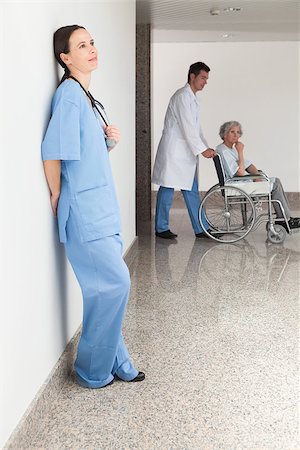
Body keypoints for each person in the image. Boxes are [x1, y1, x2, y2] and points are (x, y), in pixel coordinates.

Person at [42, 25, 144, 388]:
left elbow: (85, 152)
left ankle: (119, 362)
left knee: (106, 288)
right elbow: (53, 152)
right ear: (65, 58)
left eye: (92, 42)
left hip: (101, 207)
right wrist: (56, 194)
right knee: (113, 285)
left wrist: (108, 141)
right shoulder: (70, 95)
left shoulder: (86, 96)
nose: (91, 49)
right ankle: (91, 370)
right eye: (81, 45)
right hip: (86, 213)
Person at [152, 62, 216, 239]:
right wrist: (202, 150)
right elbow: (188, 126)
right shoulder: (182, 96)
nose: (205, 82)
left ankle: (199, 227)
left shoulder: (193, 99)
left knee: (190, 189)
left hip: (185, 152)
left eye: (207, 79)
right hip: (174, 152)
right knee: (168, 187)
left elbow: (196, 129)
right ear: (192, 76)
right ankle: (162, 227)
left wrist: (205, 146)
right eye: (203, 78)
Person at [216, 121, 300, 230]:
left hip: (242, 181)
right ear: (224, 134)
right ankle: (285, 220)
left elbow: (249, 165)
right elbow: (240, 172)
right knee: (274, 185)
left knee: (275, 181)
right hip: (235, 184)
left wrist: (257, 175)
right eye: (232, 132)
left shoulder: (231, 149)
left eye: (238, 132)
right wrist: (241, 151)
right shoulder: (223, 150)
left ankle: (285, 218)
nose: (236, 135)